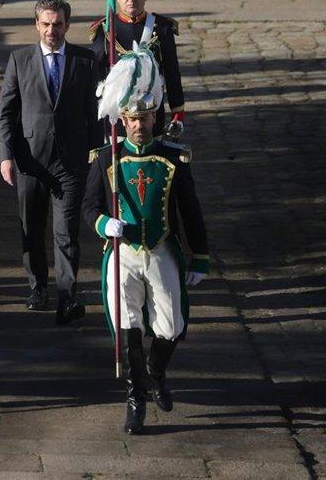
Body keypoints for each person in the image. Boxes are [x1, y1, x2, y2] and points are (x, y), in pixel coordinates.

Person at [81, 47, 209, 434]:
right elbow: (88, 206)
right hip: (122, 253)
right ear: (123, 118)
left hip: (161, 249)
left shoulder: (173, 157)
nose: (139, 125)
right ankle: (136, 396)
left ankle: (157, 369)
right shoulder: (106, 158)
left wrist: (200, 256)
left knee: (170, 326)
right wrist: (104, 224)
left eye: (145, 117)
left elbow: (190, 210)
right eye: (132, 119)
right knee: (129, 323)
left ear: (156, 116)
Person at [0, 0, 101, 324]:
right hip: (31, 161)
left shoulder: (84, 61)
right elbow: (7, 112)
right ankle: (37, 284)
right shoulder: (20, 59)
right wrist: (5, 156)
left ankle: (67, 295)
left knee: (66, 230)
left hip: (70, 162)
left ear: (67, 25)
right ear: (36, 25)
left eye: (57, 24)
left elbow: (94, 115)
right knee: (32, 226)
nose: (51, 30)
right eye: (45, 24)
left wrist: (96, 157)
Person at [89, 0, 185, 137]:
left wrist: (178, 115)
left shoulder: (161, 27)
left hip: (152, 113)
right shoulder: (104, 29)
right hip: (116, 118)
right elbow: (95, 76)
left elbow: (172, 73)